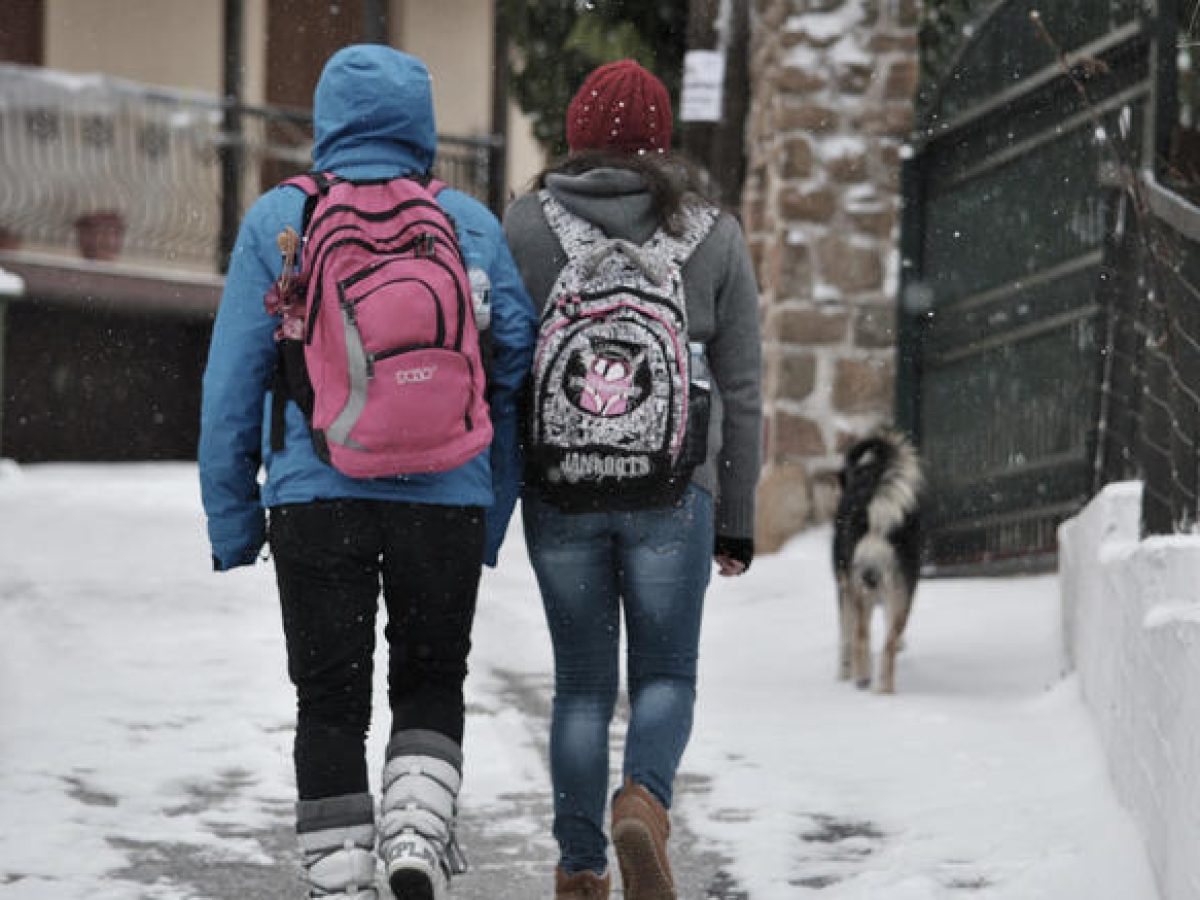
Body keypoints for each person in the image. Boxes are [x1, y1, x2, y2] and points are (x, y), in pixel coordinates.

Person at [198, 45, 536, 900]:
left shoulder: (283, 222)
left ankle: (341, 876)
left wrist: (235, 518)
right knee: (430, 677)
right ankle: (418, 833)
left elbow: (232, 382)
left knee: (330, 700)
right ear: (422, 127)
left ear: (326, 123)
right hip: (446, 497)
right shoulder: (467, 225)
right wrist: (489, 507)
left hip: (316, 499)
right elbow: (513, 358)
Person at [502, 60, 762, 900]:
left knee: (580, 686)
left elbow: (504, 369)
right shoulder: (713, 235)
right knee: (664, 676)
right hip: (673, 493)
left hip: (563, 485)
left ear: (573, 138)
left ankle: (579, 871)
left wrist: (503, 496)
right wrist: (737, 517)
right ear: (662, 145)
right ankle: (644, 803)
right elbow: (745, 391)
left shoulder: (526, 228)